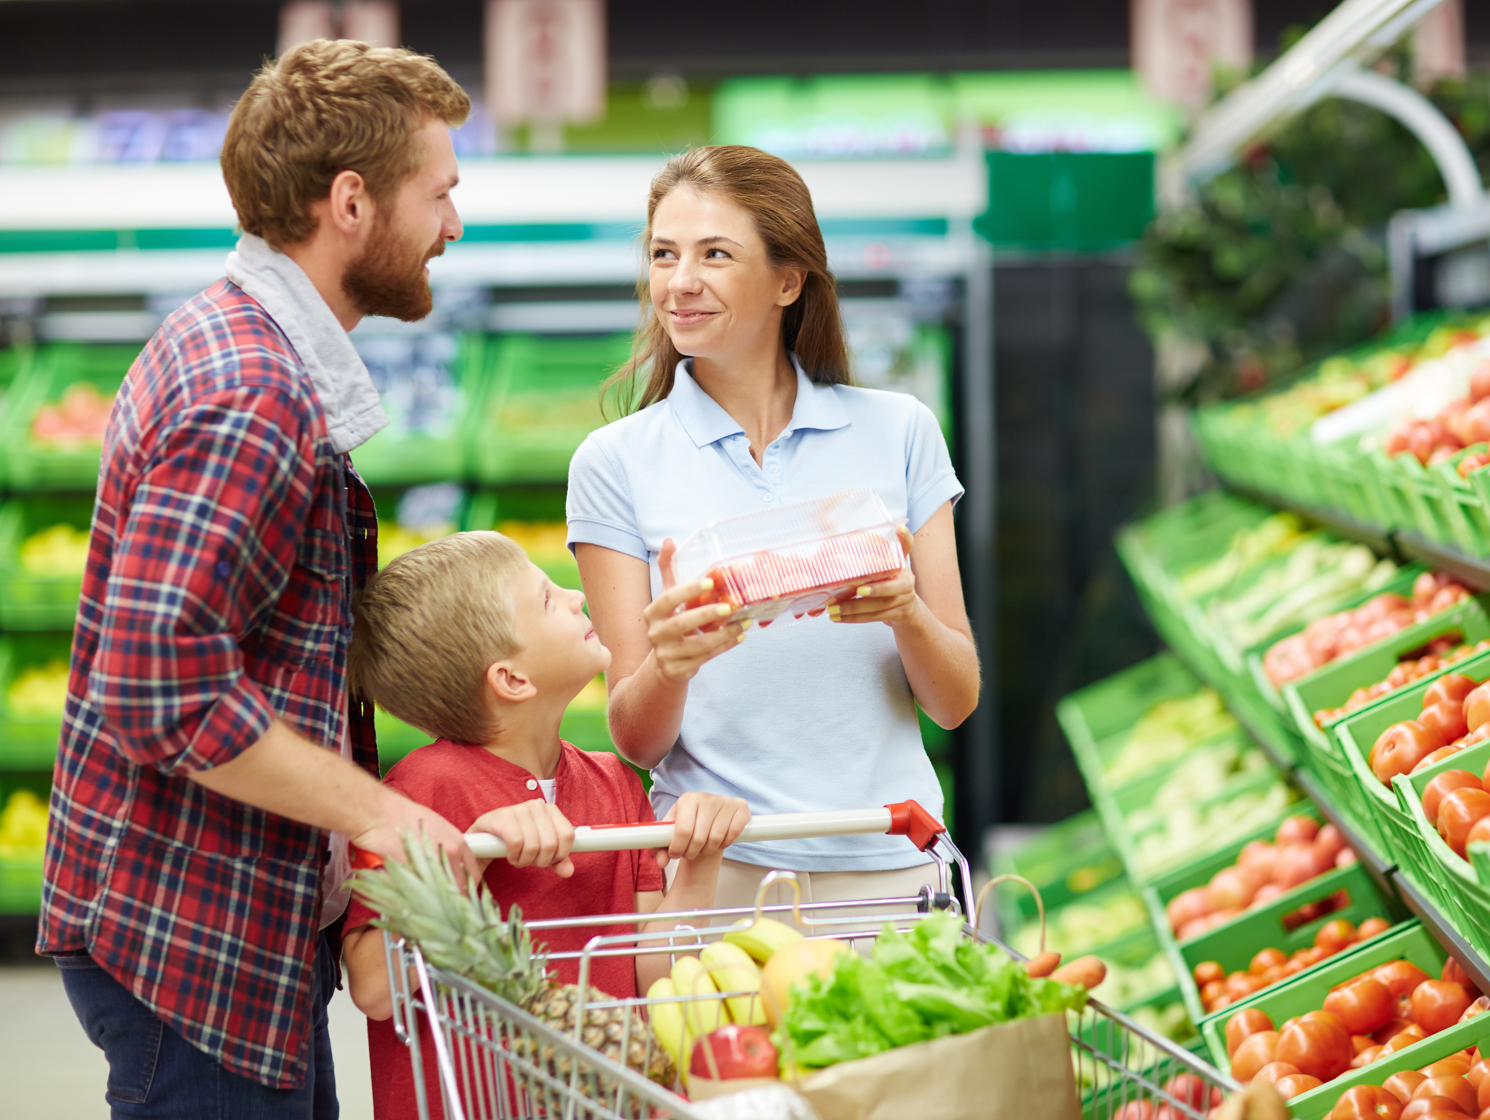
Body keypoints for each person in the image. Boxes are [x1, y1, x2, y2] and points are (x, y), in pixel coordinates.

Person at [38, 40, 479, 1118]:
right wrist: (392, 816)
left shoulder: (239, 344)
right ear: (350, 203)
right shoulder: (254, 392)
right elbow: (163, 687)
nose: (453, 227)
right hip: (189, 930)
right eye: (439, 194)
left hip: (216, 913)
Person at [567, 145, 981, 911]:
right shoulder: (614, 461)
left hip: (889, 862)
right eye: (664, 254)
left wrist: (904, 613)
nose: (679, 282)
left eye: (715, 254)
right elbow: (636, 739)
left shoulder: (900, 432)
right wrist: (672, 662)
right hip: (718, 875)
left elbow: (955, 701)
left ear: (788, 281)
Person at [340, 531, 750, 1120]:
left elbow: (654, 971)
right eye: (546, 598)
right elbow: (377, 989)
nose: (576, 596)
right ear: (511, 679)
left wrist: (701, 856)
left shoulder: (614, 780)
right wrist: (472, 851)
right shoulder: (416, 794)